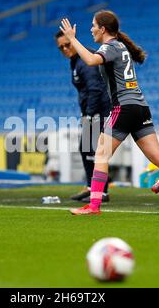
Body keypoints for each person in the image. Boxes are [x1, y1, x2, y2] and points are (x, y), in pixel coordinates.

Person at [59, 10, 159, 216]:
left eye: (93, 25)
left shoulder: (110, 46)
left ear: (103, 29)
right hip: (140, 107)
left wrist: (72, 39)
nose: (91, 29)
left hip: (123, 108)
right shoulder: (121, 46)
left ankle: (94, 206)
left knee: (101, 155)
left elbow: (90, 60)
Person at [55, 30, 112, 203]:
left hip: (101, 111)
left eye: (67, 44)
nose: (65, 49)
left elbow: (95, 89)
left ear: (74, 41)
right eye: (61, 47)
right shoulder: (76, 60)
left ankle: (100, 190)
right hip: (95, 111)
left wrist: (89, 114)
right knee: (88, 149)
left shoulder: (84, 61)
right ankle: (92, 187)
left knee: (93, 149)